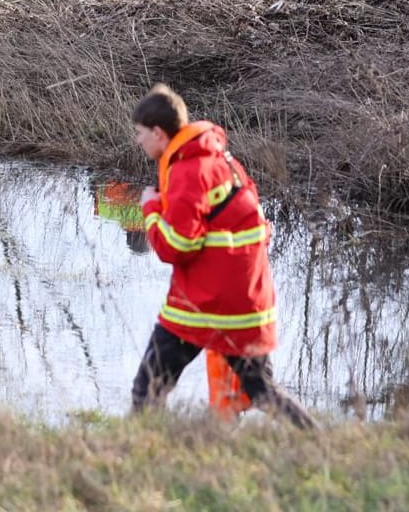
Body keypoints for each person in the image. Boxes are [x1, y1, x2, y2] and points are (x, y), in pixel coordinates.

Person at [129, 83, 314, 428]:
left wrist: (151, 208)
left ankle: (140, 456)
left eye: (139, 133)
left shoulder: (187, 171)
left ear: (158, 132)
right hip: (245, 302)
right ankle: (318, 442)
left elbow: (177, 246)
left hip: (203, 305)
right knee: (261, 390)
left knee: (147, 389)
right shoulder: (217, 159)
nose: (137, 141)